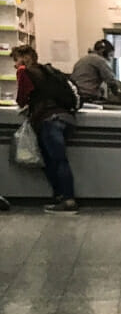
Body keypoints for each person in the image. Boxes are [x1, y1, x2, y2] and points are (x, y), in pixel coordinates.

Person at [13, 45, 78, 214]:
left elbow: (21, 99)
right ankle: (61, 197)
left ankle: (67, 199)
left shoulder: (25, 72)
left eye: (16, 59)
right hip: (66, 117)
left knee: (55, 160)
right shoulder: (49, 71)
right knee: (56, 159)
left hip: (48, 119)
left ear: (25, 58)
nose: (15, 64)